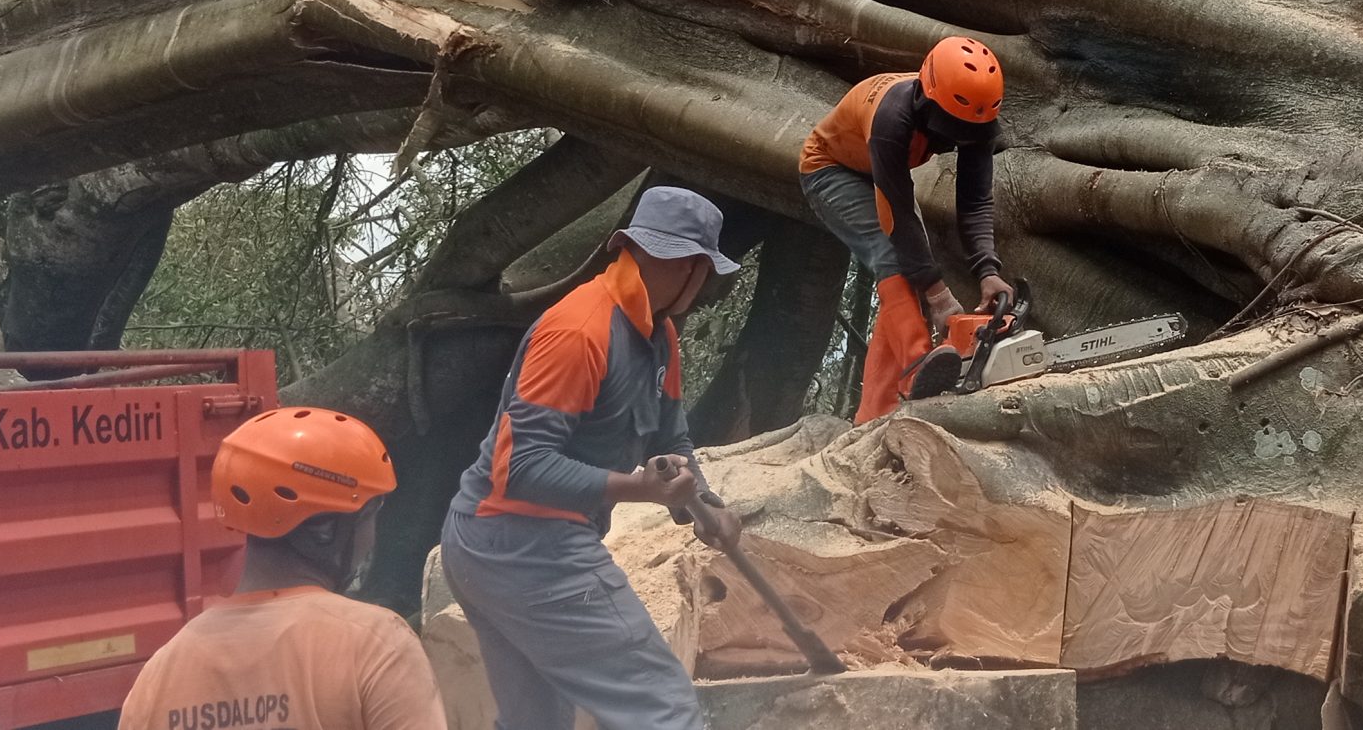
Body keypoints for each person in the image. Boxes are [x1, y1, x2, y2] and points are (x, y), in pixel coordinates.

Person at [441, 186, 745, 730]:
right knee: (662, 708)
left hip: (497, 544)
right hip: (524, 542)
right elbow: (523, 467)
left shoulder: (661, 337)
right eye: (704, 272)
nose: (703, 287)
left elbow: (671, 443)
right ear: (687, 266)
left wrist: (703, 506)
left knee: (536, 720)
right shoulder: (580, 330)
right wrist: (642, 489)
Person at [119, 407, 444, 730]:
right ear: (326, 530)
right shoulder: (377, 646)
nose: (372, 538)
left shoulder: (159, 676)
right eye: (370, 516)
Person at [800, 37, 1014, 423]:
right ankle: (918, 370)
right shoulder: (893, 117)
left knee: (911, 263)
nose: (956, 137)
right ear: (926, 99)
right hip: (830, 170)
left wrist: (988, 270)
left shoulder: (977, 119)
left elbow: (975, 201)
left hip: (884, 175)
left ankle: (874, 412)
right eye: (951, 128)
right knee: (896, 261)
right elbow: (896, 211)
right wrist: (939, 297)